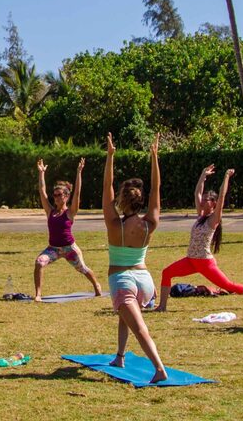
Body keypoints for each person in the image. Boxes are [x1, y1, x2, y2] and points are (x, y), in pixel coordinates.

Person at [102, 133, 167, 382]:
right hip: (145, 282)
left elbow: (106, 186)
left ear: (121, 200)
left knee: (139, 328)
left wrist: (110, 156)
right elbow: (156, 190)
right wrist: (154, 157)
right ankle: (120, 356)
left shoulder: (113, 224)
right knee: (126, 316)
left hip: (122, 281)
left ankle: (159, 369)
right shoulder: (150, 224)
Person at [155, 165, 243, 311]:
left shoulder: (213, 219)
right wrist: (203, 175)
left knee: (227, 285)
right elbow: (196, 193)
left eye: (207, 200)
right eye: (203, 199)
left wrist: (226, 177)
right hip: (191, 260)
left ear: (214, 204)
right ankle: (162, 306)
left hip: (205, 263)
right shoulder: (201, 216)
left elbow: (222, 196)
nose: (203, 201)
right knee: (166, 273)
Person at [33, 157, 102, 301]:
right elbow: (42, 191)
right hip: (53, 249)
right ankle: (38, 294)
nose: (56, 198)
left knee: (83, 269)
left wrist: (79, 172)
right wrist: (41, 174)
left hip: (70, 249)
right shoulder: (50, 211)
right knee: (39, 262)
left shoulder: (70, 212)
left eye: (59, 195)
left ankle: (97, 285)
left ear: (66, 197)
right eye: (55, 195)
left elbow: (77, 193)